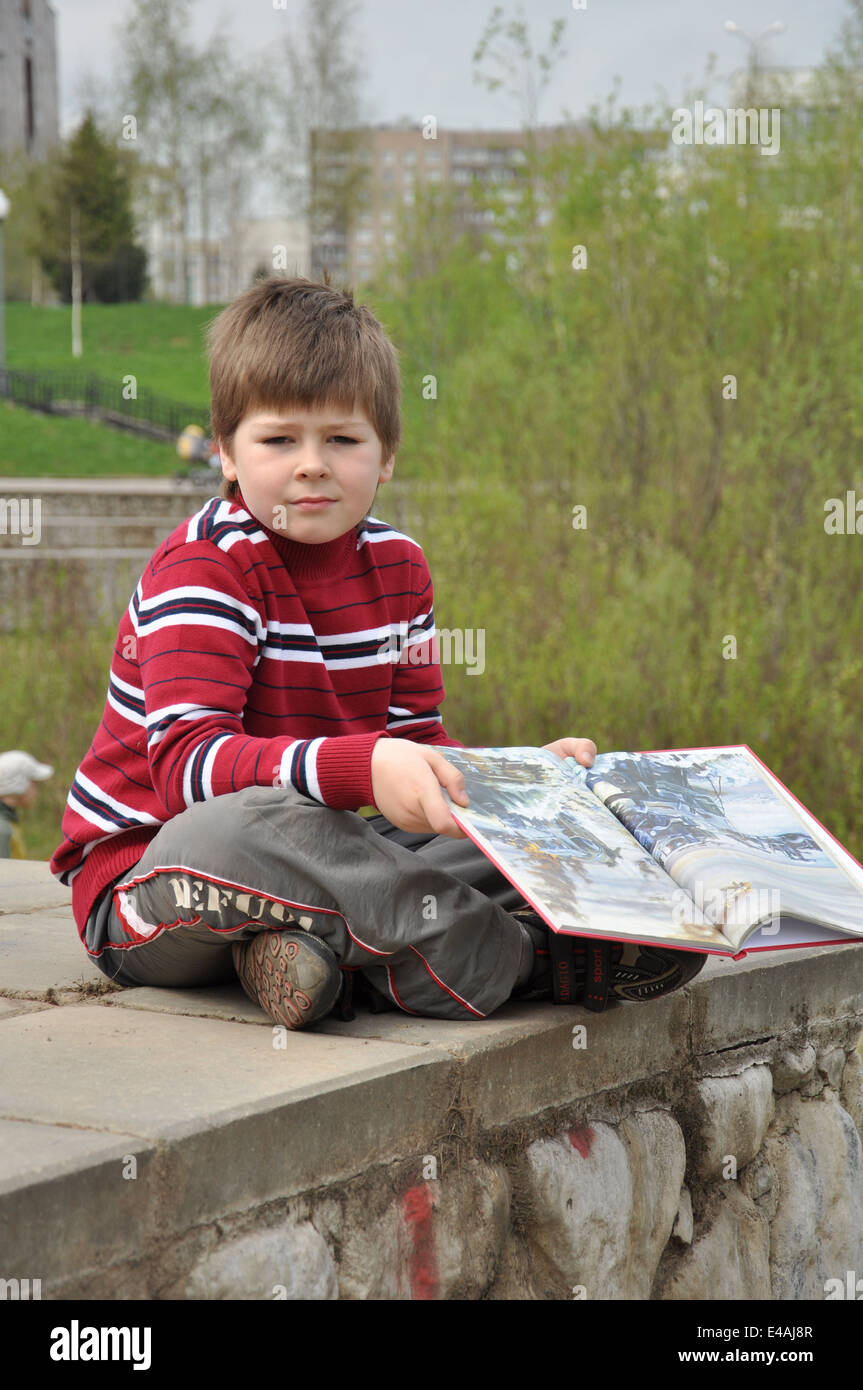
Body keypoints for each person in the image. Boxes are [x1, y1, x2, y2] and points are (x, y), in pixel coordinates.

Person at [49, 276, 705, 1027]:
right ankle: (528, 962)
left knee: (468, 844)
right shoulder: (206, 567)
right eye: (277, 440)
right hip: (154, 878)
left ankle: (305, 959)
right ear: (226, 452)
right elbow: (185, 772)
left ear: (385, 455)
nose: (310, 464)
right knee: (249, 831)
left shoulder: (398, 567)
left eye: (341, 439)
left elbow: (416, 745)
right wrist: (361, 766)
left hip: (323, 844)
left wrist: (509, 786)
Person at [0, 751, 53, 858]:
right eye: (33, 782)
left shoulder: (7, 822)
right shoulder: (3, 830)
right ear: (19, 783)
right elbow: (5, 874)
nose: (36, 790)